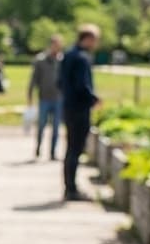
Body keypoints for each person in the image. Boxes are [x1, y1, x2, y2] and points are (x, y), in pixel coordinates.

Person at [59, 24, 102, 201]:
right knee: (76, 149)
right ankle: (72, 189)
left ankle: (69, 186)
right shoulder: (82, 58)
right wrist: (94, 99)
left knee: (70, 149)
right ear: (88, 39)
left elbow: (60, 82)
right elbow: (82, 86)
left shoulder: (68, 55)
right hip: (80, 109)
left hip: (69, 107)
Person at [28, 35, 63, 160]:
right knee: (41, 125)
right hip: (44, 98)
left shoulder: (62, 60)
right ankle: (38, 148)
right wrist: (30, 95)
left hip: (58, 98)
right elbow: (33, 79)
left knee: (56, 127)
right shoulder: (41, 60)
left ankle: (53, 152)